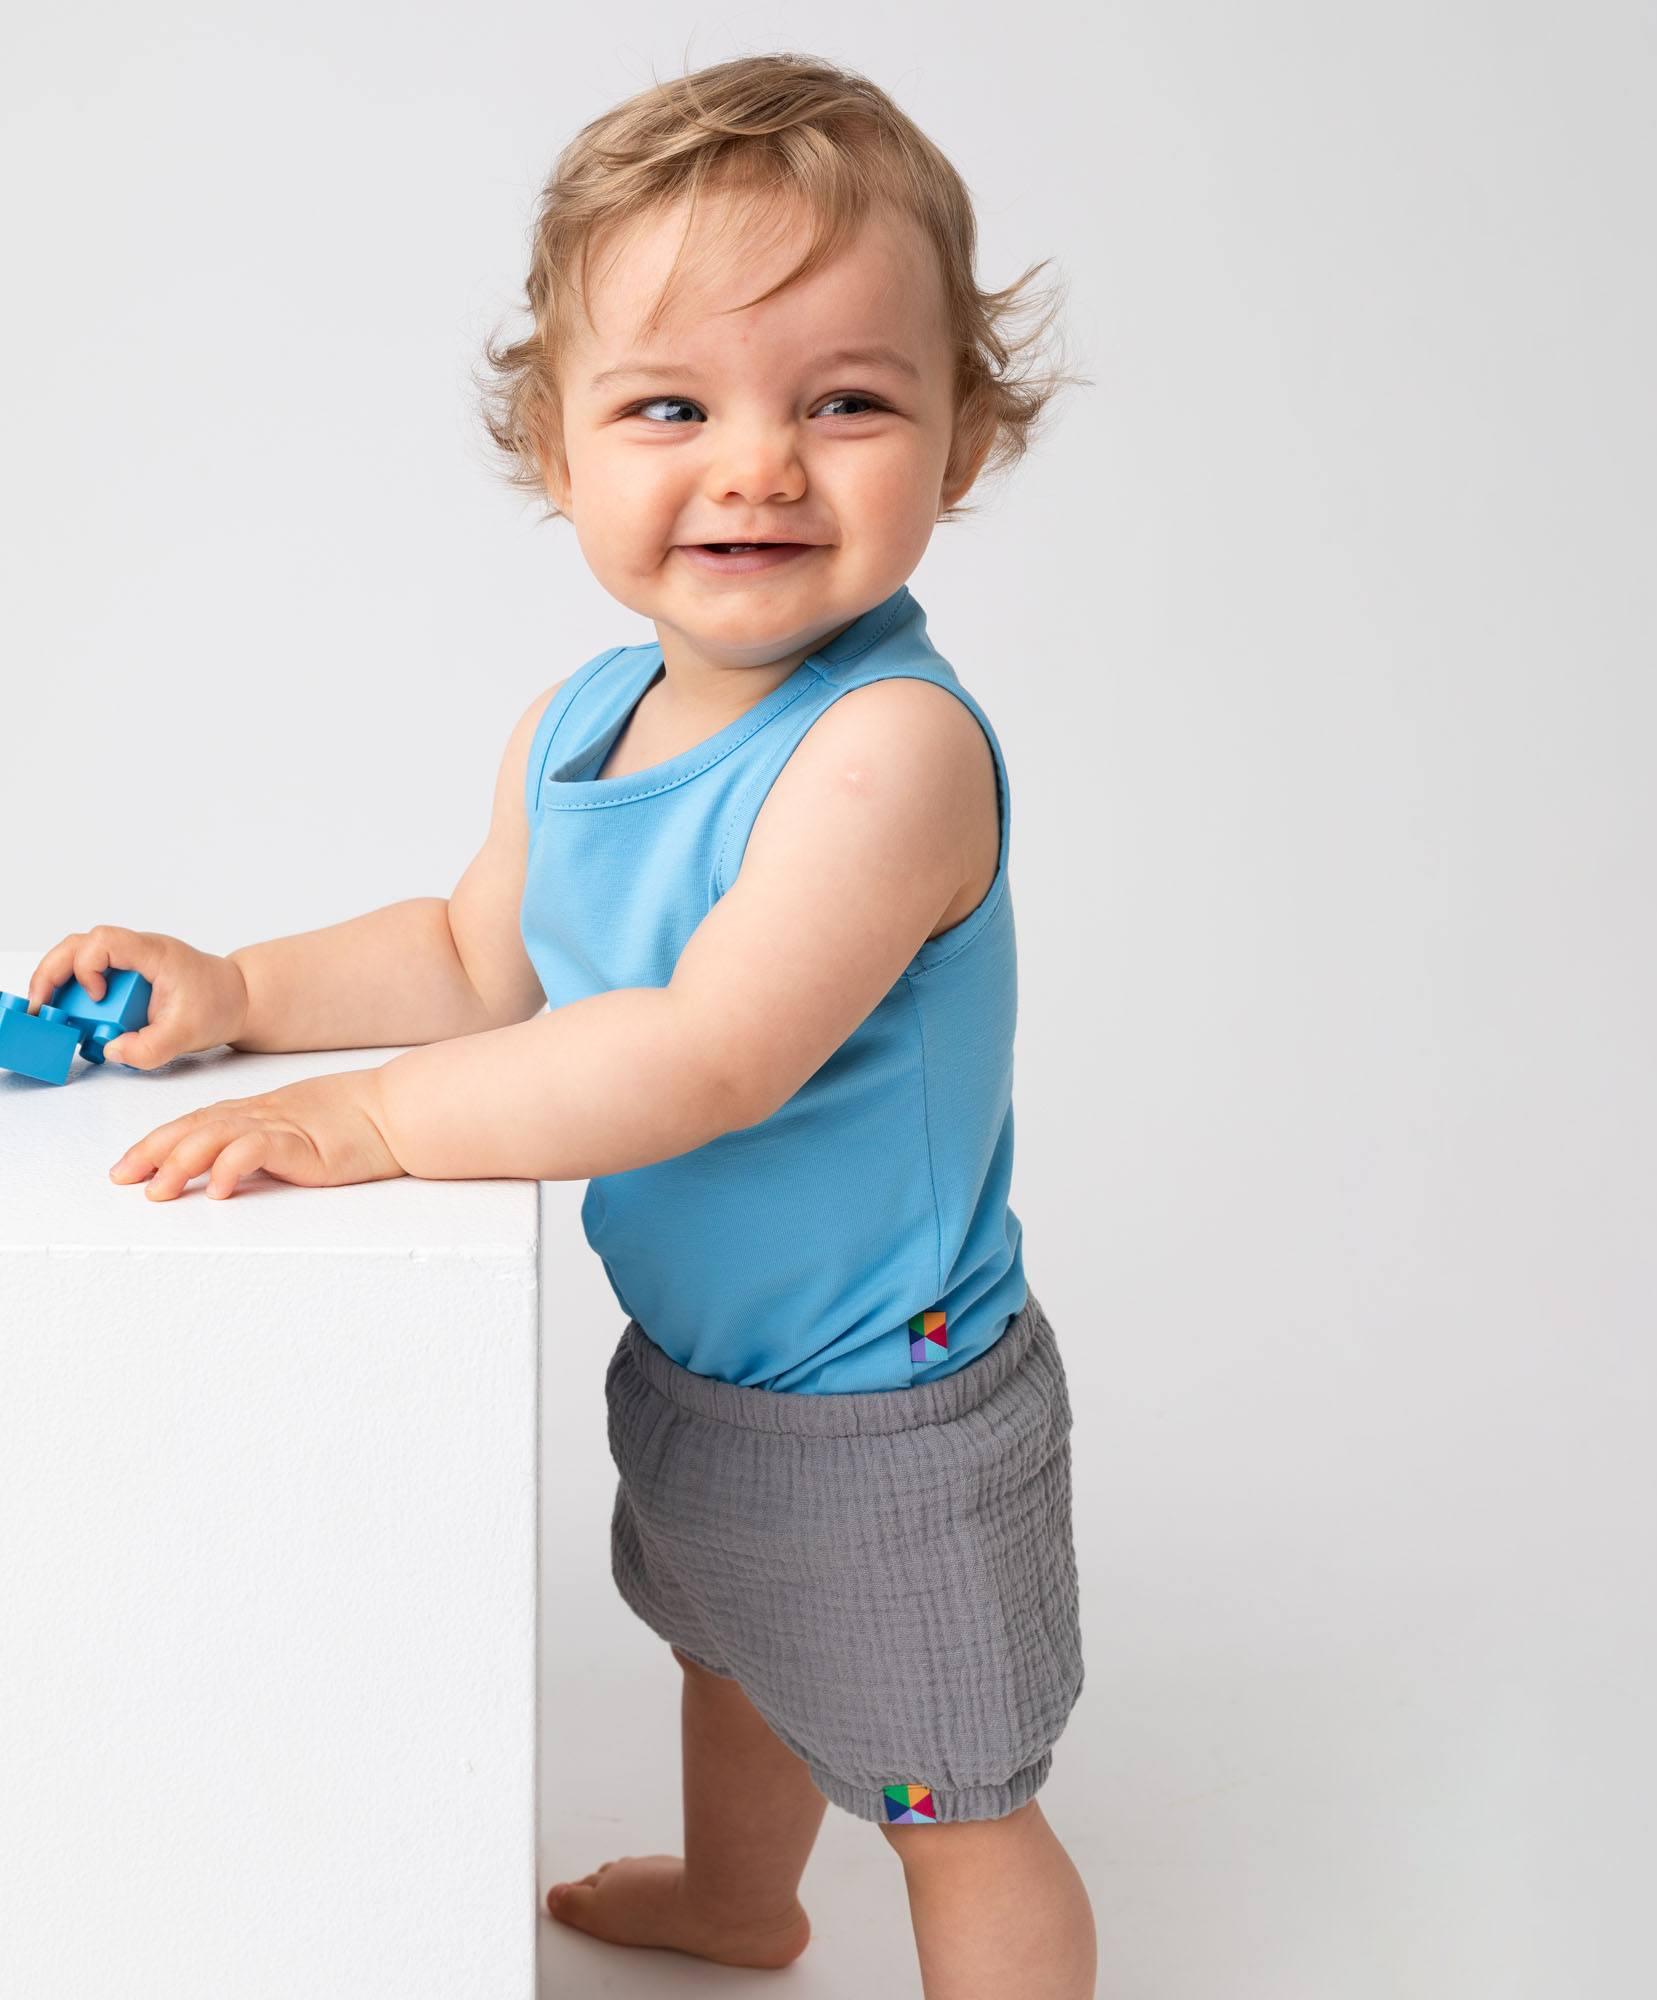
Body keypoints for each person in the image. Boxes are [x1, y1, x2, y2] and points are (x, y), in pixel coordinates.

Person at [27, 50, 1097, 1999]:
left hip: (888, 1402)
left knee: (954, 1794)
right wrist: (246, 992)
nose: (760, 463)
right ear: (556, 444)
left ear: (960, 444)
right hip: (702, 1357)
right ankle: (736, 1897)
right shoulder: (587, 718)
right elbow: (468, 948)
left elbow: (706, 1054)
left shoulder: (889, 753)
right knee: (727, 1643)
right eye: (672, 405)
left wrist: (370, 1122)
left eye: (846, 403)